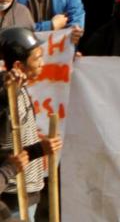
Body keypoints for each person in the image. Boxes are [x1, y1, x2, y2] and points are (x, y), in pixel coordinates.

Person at [0, 26, 62, 222]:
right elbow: (5, 149)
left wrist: (40, 148)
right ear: (18, 66)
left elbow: (20, 148)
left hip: (28, 191)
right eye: (37, 58)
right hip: (12, 197)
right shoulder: (7, 97)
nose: (42, 63)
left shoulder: (21, 89)